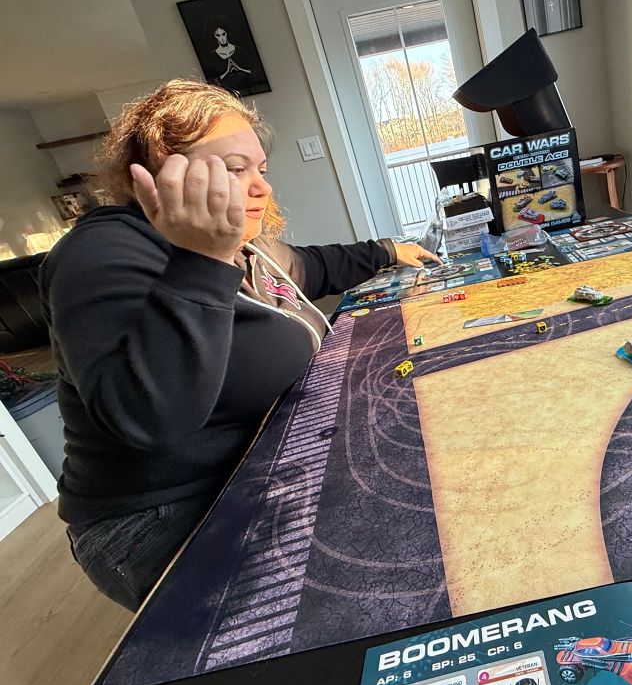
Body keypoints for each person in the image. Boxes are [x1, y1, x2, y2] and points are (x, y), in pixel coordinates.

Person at [40, 79, 440, 611]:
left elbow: (305, 265)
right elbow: (147, 418)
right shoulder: (98, 253)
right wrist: (200, 263)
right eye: (234, 168)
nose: (261, 187)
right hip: (161, 515)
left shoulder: (240, 247)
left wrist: (386, 249)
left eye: (261, 171)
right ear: (166, 166)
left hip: (260, 467)